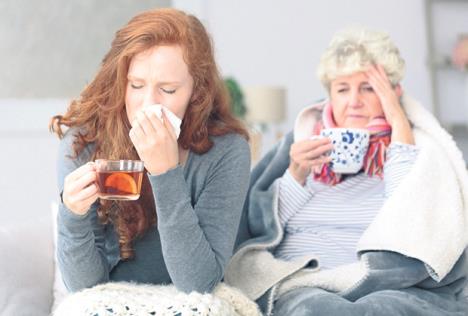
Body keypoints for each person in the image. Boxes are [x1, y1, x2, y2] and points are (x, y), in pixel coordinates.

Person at [225, 27, 468, 315]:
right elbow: (264, 228)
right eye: (343, 89)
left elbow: (408, 216)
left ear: (392, 93)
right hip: (304, 280)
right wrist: (296, 174)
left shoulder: (413, 151)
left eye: (368, 88)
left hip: (378, 284)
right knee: (313, 308)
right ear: (329, 97)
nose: (354, 100)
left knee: (384, 308)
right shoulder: (305, 143)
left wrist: (398, 123)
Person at [49, 7, 251, 304]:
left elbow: (199, 282)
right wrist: (72, 213)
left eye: (168, 90)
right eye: (136, 85)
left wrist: (165, 173)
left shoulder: (226, 151)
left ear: (197, 91)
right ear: (121, 81)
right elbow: (84, 287)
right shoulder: (83, 143)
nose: (148, 104)